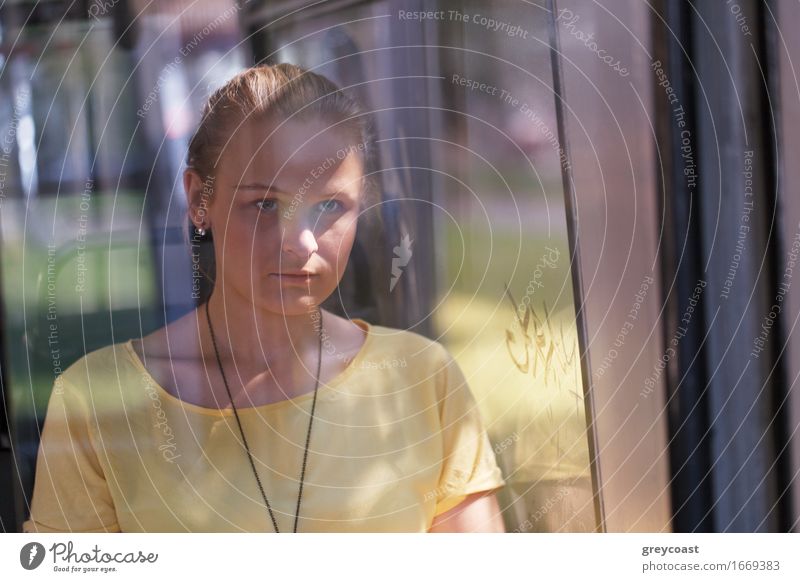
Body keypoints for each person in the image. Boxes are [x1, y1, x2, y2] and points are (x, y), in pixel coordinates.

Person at [22, 63, 506, 533]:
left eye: (329, 207)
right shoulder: (95, 403)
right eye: (266, 204)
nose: (302, 243)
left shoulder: (424, 380)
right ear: (199, 200)